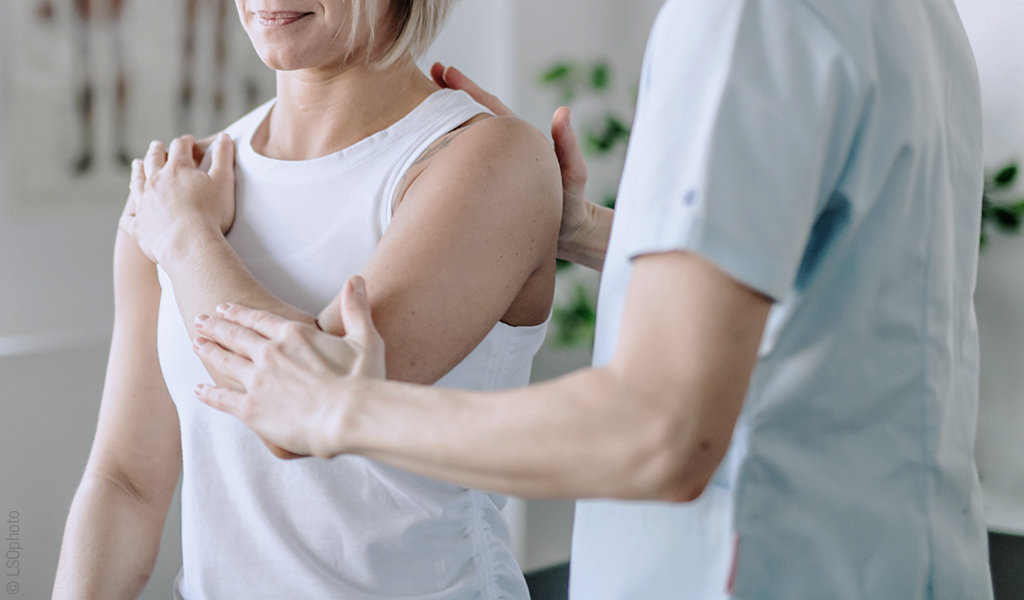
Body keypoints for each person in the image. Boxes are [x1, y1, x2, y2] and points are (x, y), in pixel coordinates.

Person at [186, 0, 996, 598]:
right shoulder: (916, 17)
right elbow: (828, 288)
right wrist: (581, 230)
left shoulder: (747, 20)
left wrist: (340, 408)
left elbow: (660, 431)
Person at [52, 0, 562, 597]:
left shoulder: (491, 159)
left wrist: (188, 241)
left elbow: (297, 417)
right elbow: (126, 481)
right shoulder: (179, 188)